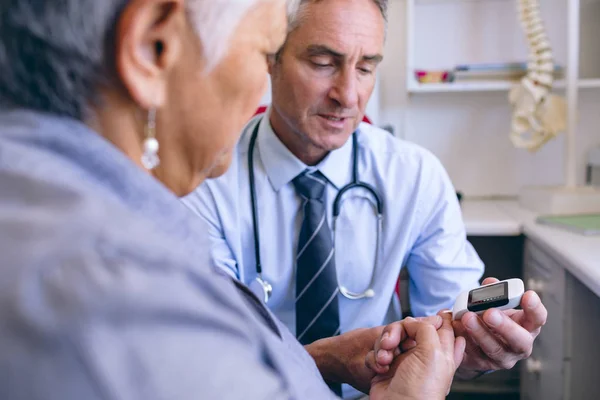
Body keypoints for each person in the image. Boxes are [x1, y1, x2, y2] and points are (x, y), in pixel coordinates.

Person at [0, 0, 464, 399]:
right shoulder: (115, 281)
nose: (347, 95)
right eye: (262, 51)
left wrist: (331, 359)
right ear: (151, 49)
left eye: (366, 67)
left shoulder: (45, 200)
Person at [182, 0, 548, 397]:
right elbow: (201, 358)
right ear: (271, 58)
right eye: (323, 62)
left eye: (366, 67)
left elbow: (452, 327)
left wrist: (476, 350)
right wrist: (324, 359)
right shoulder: (204, 177)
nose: (349, 95)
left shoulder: (414, 176)